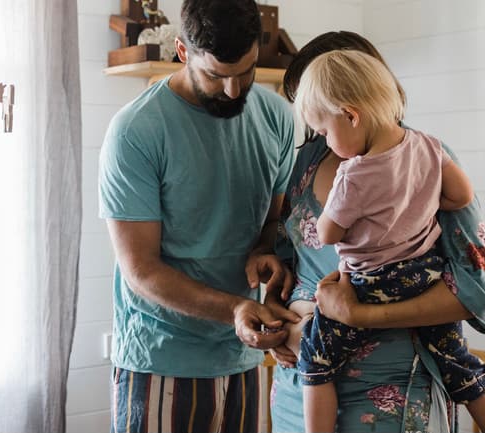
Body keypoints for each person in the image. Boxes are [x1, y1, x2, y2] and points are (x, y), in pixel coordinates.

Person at [267, 31, 485, 433]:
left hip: (392, 391)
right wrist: (275, 313)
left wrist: (360, 315)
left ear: (351, 105)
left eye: (320, 113)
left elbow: (478, 289)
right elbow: (289, 257)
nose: (315, 130)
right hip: (299, 391)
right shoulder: (307, 161)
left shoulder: (426, 157)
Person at [98, 0, 299, 431]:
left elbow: (273, 222)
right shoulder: (136, 131)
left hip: (243, 357)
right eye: (215, 75)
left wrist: (267, 251)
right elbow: (141, 270)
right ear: (182, 51)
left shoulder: (278, 116)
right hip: (160, 360)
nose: (232, 90)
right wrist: (235, 310)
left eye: (244, 72)